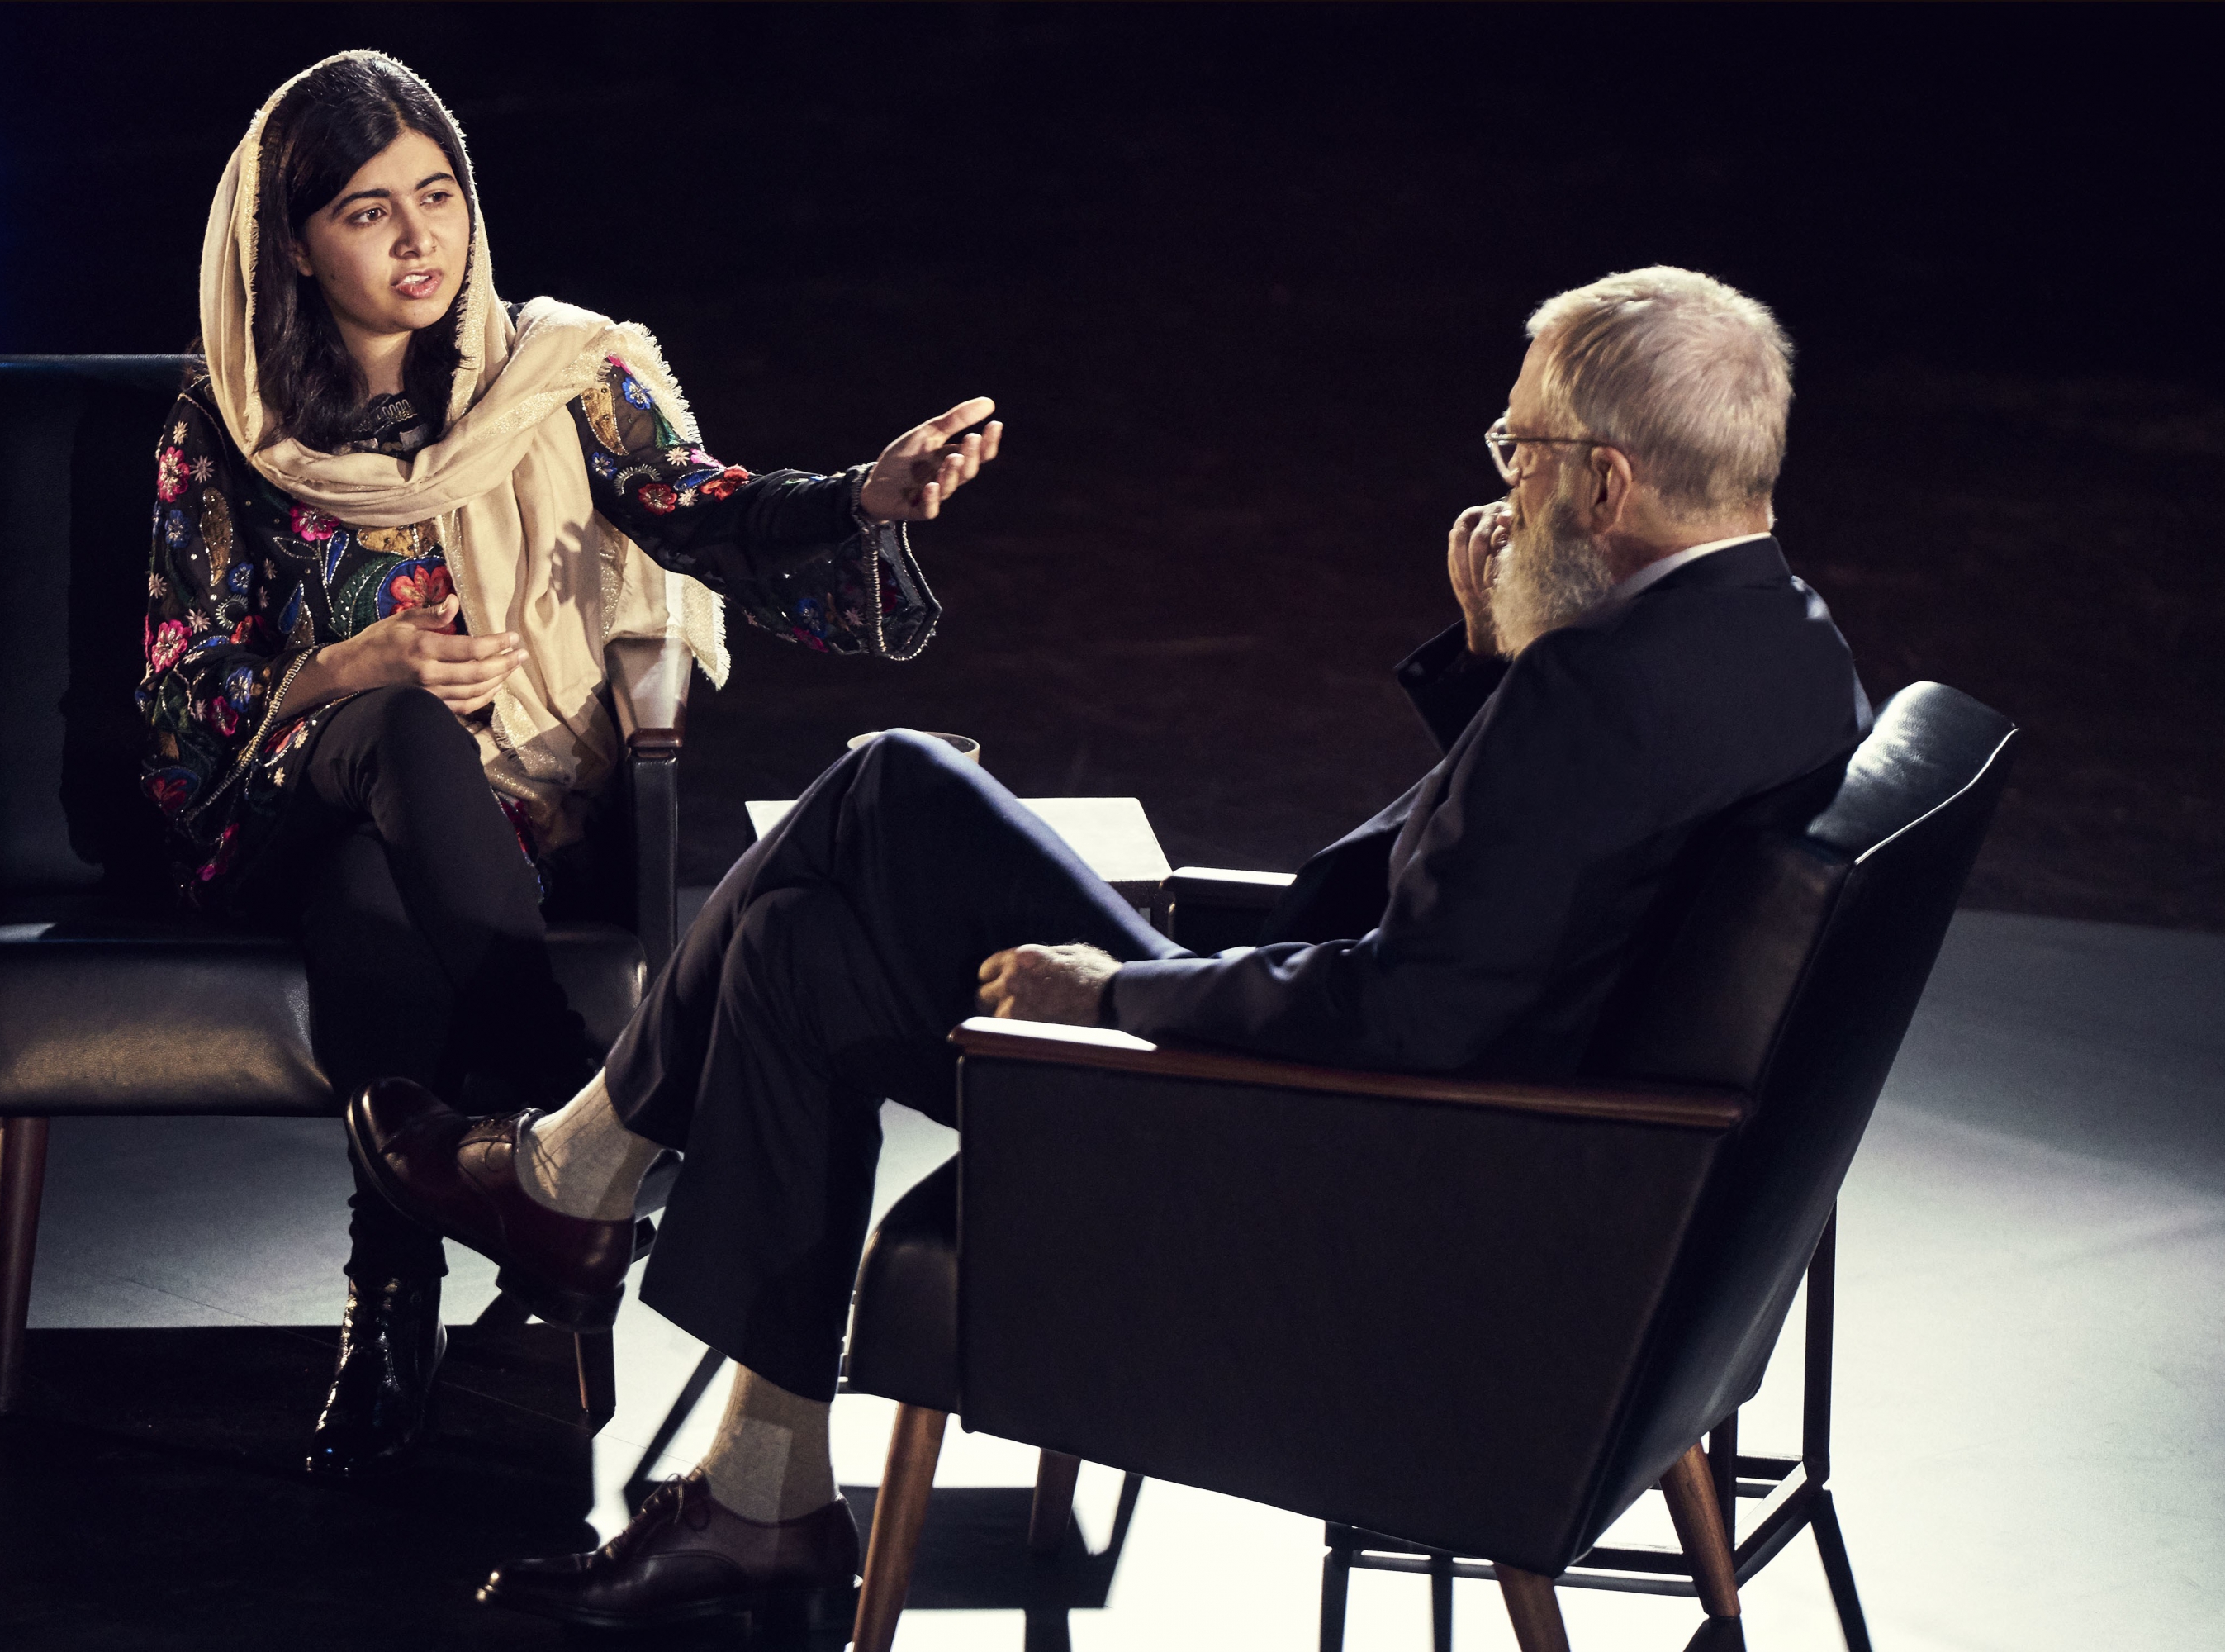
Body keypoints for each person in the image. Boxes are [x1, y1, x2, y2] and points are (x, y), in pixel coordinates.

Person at [349, 265, 1872, 1633]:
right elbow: (1537, 900)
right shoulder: (1788, 647)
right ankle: (760, 1492)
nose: (1503, 486)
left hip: (1329, 1173)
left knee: (887, 786)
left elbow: (1412, 1010)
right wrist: (1496, 671)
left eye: (1519, 451)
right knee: (799, 952)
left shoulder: (1598, 695)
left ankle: (576, 1175)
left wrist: (1116, 992)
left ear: (1606, 481)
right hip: (1457, 1158)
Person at [134, 50, 1001, 1483]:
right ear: (293, 243)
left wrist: (864, 495)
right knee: (398, 726)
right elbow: (180, 697)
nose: (419, 241)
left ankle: (393, 1301)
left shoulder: (553, 379)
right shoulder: (229, 423)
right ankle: (565, 1092)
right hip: (266, 806)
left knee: (372, 897)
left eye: (438, 197)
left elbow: (700, 510)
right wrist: (352, 667)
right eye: (367, 212)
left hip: (487, 836)